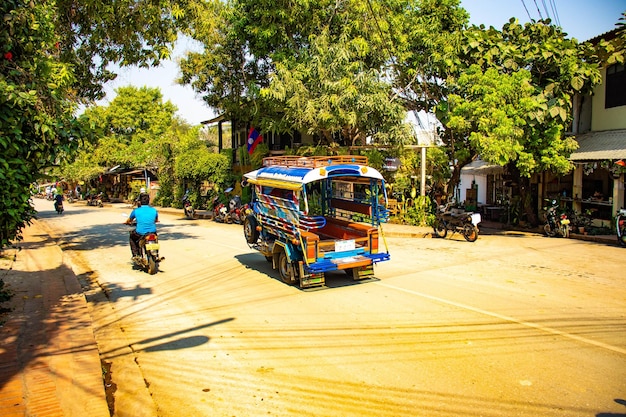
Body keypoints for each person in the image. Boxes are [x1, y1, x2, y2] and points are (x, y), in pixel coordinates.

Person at [125, 193, 159, 261]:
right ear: (148, 201)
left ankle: (135, 255)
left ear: (140, 201)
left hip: (140, 233)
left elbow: (129, 220)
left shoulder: (136, 211)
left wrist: (127, 222)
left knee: (132, 237)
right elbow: (156, 220)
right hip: (152, 232)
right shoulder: (154, 210)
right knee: (155, 238)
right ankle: (157, 254)